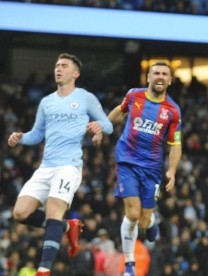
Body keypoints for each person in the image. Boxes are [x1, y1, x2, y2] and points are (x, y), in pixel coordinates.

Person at [7, 53, 113, 276]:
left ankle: (43, 270)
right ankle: (67, 227)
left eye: (64, 66)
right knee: (20, 213)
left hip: (68, 167)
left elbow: (108, 125)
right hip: (46, 167)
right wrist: (21, 137)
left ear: (75, 73)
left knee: (53, 212)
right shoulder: (47, 102)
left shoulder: (84, 97)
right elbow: (37, 134)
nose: (58, 69)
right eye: (57, 65)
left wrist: (98, 128)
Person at [108, 61, 182, 276]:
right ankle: (129, 264)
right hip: (127, 162)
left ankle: (150, 220)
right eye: (156, 73)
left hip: (151, 168)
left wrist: (172, 170)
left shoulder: (173, 110)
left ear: (169, 80)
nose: (160, 76)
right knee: (131, 213)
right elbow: (120, 111)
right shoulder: (134, 96)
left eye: (164, 74)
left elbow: (175, 144)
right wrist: (102, 127)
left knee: (143, 219)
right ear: (148, 77)